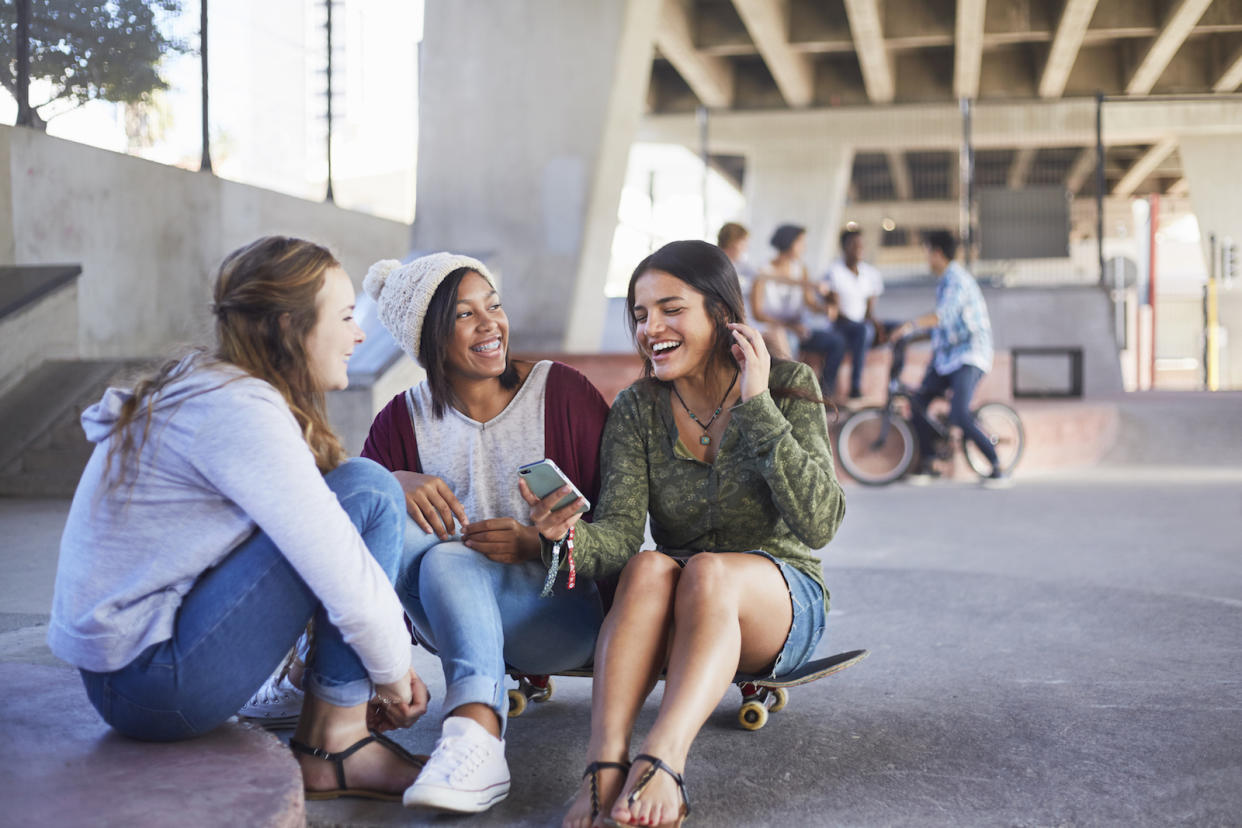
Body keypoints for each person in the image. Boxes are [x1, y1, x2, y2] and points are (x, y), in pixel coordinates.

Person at [48, 236, 429, 801]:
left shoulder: (211, 387)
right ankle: (339, 744)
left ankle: (331, 727)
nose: (359, 334)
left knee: (355, 486)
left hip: (126, 674)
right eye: (347, 317)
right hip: (154, 686)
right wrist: (394, 675)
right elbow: (341, 570)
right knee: (370, 492)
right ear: (288, 327)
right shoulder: (237, 411)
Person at [520, 240, 847, 828]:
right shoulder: (638, 409)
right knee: (648, 566)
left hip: (779, 604)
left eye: (672, 309)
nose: (652, 328)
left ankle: (664, 761)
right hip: (682, 609)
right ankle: (604, 766)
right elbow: (619, 538)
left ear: (721, 315)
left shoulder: (788, 384)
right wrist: (564, 536)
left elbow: (819, 523)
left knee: (708, 569)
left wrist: (757, 405)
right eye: (641, 315)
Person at [359, 252, 611, 814]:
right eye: (465, 315)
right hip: (444, 619)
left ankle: (475, 734)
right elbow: (356, 534)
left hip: (559, 615)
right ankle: (324, 671)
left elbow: (621, 529)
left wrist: (538, 544)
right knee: (372, 496)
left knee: (448, 559)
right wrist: (392, 480)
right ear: (427, 338)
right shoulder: (400, 421)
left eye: (493, 306)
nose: (490, 324)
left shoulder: (562, 393)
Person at [893, 229, 1010, 487]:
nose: (925, 258)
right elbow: (941, 328)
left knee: (959, 414)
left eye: (926, 252)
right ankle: (930, 463)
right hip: (947, 358)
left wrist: (909, 326)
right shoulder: (944, 282)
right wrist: (910, 337)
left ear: (936, 253)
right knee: (918, 401)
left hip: (969, 355)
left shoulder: (957, 279)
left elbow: (941, 316)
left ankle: (997, 466)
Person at [816, 228, 887, 399]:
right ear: (844, 247)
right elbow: (835, 311)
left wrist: (874, 323)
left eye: (861, 245)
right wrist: (864, 324)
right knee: (863, 331)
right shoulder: (834, 272)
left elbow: (870, 309)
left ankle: (893, 388)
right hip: (842, 325)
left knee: (897, 329)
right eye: (853, 245)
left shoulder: (871, 274)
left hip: (862, 325)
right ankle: (855, 387)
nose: (858, 249)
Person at [749, 224, 821, 360]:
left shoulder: (801, 269)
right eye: (801, 243)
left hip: (796, 326)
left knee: (834, 341)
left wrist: (825, 308)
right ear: (789, 243)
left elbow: (810, 301)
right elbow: (758, 314)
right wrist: (790, 326)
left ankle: (824, 381)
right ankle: (791, 379)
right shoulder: (763, 271)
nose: (804, 247)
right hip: (770, 326)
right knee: (789, 339)